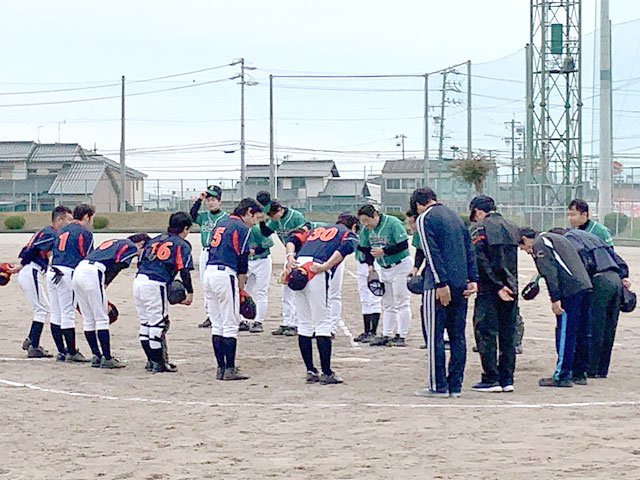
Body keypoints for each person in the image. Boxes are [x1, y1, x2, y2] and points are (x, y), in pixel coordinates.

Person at [411, 188, 478, 398]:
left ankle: (437, 385)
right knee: (458, 336)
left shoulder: (425, 218)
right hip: (461, 283)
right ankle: (455, 385)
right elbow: (469, 249)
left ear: (418, 204)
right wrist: (472, 279)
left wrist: (440, 282)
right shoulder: (456, 217)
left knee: (434, 337)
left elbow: (431, 252)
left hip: (438, 286)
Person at [285, 213, 359, 384]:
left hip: (298, 266)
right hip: (316, 268)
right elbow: (346, 247)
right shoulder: (346, 232)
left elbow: (293, 237)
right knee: (322, 322)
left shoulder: (318, 228)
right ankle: (327, 372)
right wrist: (326, 265)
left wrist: (290, 256)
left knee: (304, 322)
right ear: (353, 225)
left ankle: (310, 370)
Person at [549, 227, 629, 380]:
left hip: (599, 281)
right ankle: (601, 369)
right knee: (608, 327)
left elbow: (579, 265)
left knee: (593, 326)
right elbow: (617, 258)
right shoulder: (590, 237)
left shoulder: (569, 240)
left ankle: (588, 369)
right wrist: (623, 275)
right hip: (615, 279)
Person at [518, 228, 592, 387]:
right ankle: (579, 372)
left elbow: (551, 272)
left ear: (525, 239)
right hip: (584, 285)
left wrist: (555, 298)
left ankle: (562, 375)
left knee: (566, 332)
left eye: (522, 247)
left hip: (569, 290)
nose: (524, 251)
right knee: (582, 331)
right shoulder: (556, 238)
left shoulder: (540, 245)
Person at [204, 198, 262, 381]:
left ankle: (220, 368)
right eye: (255, 217)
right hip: (225, 274)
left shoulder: (222, 223)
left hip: (209, 273)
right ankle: (230, 369)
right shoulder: (243, 228)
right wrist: (241, 287)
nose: (255, 222)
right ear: (248, 212)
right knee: (230, 324)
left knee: (217, 324)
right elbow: (242, 260)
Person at [73, 234, 150, 368]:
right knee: (102, 318)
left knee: (88, 318)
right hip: (93, 272)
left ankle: (96, 356)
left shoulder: (115, 241)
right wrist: (105, 284)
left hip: (79, 270)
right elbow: (118, 266)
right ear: (141, 243)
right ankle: (107, 358)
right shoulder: (130, 247)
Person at [469, 196, 519, 393]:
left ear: (478, 211)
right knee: (508, 334)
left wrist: (497, 285)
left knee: (486, 332)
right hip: (512, 287)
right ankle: (507, 378)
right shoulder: (512, 226)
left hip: (490, 289)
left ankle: (491, 377)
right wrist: (508, 285)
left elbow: (481, 260)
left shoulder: (480, 229)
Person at [134, 212, 194, 373]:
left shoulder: (154, 240)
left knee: (145, 322)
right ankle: (159, 363)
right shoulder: (181, 244)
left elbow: (141, 261)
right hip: (155, 283)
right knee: (157, 324)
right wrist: (190, 292)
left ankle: (151, 360)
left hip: (139, 280)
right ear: (185, 228)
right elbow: (184, 270)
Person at [16, 205, 72, 358]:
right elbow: (32, 250)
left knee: (43, 307)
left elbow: (28, 249)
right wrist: (20, 265)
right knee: (42, 308)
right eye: (68, 220)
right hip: (31, 270)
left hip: (31, 270)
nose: (70, 223)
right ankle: (33, 346)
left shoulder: (45, 231)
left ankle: (31, 340)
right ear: (59, 219)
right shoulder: (52, 232)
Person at [358, 205, 413, 347]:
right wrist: (370, 265)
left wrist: (384, 251)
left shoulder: (393, 223)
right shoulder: (366, 229)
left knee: (401, 300)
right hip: (384, 267)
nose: (365, 224)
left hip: (401, 265)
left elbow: (403, 245)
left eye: (367, 220)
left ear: (375, 215)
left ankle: (401, 335)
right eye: (362, 221)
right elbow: (365, 248)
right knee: (387, 302)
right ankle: (386, 334)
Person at [48, 203, 95, 363]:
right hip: (68, 272)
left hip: (52, 270)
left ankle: (62, 351)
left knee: (56, 312)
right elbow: (87, 257)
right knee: (67, 312)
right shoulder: (85, 233)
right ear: (87, 216)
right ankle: (72, 351)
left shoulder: (62, 230)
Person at [257, 192, 308, 336]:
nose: (271, 218)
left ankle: (297, 323)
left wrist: (296, 259)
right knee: (285, 291)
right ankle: (287, 323)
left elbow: (304, 235)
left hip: (300, 255)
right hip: (289, 255)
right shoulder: (275, 220)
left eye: (272, 215)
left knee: (297, 290)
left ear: (279, 210)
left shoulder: (296, 216)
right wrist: (261, 221)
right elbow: (266, 232)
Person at [190, 185, 228, 328]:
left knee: (218, 285)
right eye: (209, 199)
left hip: (219, 253)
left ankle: (221, 314)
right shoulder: (204, 216)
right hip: (205, 252)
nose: (211, 202)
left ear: (220, 201)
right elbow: (192, 216)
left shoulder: (226, 217)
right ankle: (210, 315)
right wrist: (199, 200)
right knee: (206, 285)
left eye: (214, 199)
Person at [244, 218, 274, 333]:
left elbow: (269, 243)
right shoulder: (240, 230)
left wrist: (255, 251)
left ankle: (259, 321)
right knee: (246, 290)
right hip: (248, 261)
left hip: (262, 261)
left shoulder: (256, 229)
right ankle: (244, 319)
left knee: (261, 291)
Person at [353, 227, 382, 343]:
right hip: (361, 264)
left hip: (373, 264)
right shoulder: (359, 235)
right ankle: (366, 330)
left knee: (374, 298)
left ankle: (373, 331)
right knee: (364, 298)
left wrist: (370, 264)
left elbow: (368, 249)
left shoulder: (369, 232)